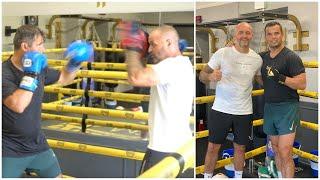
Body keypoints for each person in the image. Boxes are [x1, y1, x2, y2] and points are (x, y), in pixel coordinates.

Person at [2, 25, 93, 178]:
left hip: (38, 145)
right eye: (40, 44)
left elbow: (64, 78)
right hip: (9, 149)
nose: (43, 49)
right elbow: (17, 105)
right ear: (25, 46)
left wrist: (75, 63)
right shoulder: (4, 73)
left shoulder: (40, 69)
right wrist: (31, 73)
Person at [118, 22, 194, 175]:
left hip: (163, 151)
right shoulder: (183, 64)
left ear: (169, 42)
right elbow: (167, 102)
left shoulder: (173, 65)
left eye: (153, 44)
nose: (150, 49)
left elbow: (136, 77)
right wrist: (149, 127)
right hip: (180, 147)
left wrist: (133, 48)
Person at [199, 22, 263, 178]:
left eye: (247, 33)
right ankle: (207, 177)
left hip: (244, 111)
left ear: (251, 35)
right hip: (221, 109)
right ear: (235, 36)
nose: (244, 36)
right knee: (213, 147)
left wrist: (282, 82)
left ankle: (238, 177)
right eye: (241, 32)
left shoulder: (257, 59)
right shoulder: (222, 53)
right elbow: (202, 75)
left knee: (240, 148)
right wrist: (210, 76)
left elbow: (262, 80)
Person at [258, 21, 306, 178]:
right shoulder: (263, 57)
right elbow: (262, 79)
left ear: (282, 35)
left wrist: (281, 78)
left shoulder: (291, 57)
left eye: (276, 33)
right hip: (270, 107)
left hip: (287, 108)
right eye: (269, 34)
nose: (273, 37)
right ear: (266, 37)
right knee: (276, 149)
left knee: (285, 151)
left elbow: (302, 83)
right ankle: (280, 176)